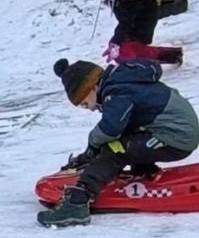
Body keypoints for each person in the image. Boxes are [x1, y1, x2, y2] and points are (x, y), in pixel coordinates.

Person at [37, 57, 199, 228]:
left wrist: (92, 145)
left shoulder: (117, 92)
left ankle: (77, 203)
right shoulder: (120, 82)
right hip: (174, 132)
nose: (91, 109)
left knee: (115, 150)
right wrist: (91, 153)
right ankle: (144, 170)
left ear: (91, 88)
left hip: (176, 137)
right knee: (122, 140)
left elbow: (111, 127)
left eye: (85, 104)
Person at [91, 0, 182, 65]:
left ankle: (168, 56)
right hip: (133, 29)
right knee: (122, 50)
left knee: (122, 53)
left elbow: (126, 22)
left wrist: (115, 42)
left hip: (138, 32)